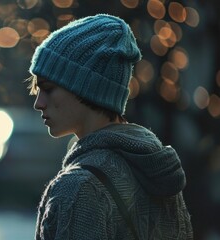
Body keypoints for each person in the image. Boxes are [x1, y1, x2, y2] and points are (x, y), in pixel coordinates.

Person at [27, 14, 193, 239]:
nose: (39, 103)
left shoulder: (78, 189)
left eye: (48, 88)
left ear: (84, 86)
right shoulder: (155, 171)